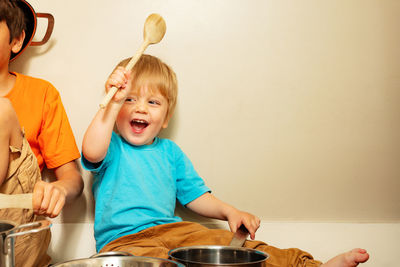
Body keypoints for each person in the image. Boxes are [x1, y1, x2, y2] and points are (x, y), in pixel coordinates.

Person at [81, 54, 369, 267]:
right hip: (127, 244)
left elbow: (196, 197)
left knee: (245, 252)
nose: (140, 108)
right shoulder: (111, 145)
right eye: (129, 100)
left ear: (166, 117)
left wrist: (230, 212)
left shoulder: (170, 153)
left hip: (179, 232)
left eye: (152, 102)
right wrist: (112, 103)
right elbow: (92, 152)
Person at [0, 0, 84, 266]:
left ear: (16, 40)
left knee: (1, 110)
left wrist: (58, 189)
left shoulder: (41, 94)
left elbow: (73, 178)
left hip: (16, 234)